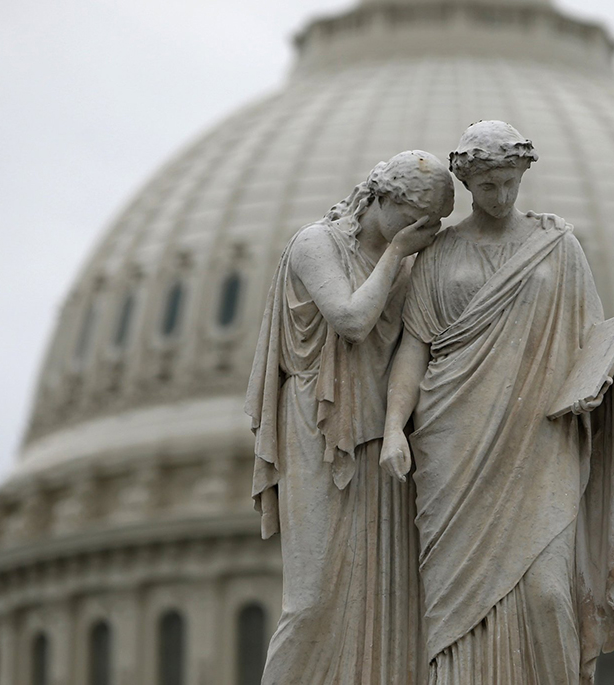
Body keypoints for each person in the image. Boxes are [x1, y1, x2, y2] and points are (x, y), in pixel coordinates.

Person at [381, 122, 614, 684]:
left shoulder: (558, 248)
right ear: (467, 183)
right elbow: (414, 349)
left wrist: (597, 383)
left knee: (548, 591)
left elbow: (591, 343)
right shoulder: (439, 253)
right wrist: (391, 430)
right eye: (488, 186)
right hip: (453, 444)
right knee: (452, 607)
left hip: (540, 439)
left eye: (509, 183)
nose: (501, 197)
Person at [245, 150, 455, 685]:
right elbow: (352, 320)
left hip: (380, 432)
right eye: (413, 219)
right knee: (312, 599)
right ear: (383, 198)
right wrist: (400, 253)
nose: (419, 231)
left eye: (429, 225)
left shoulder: (407, 263)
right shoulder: (317, 244)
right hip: (318, 422)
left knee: (382, 595)